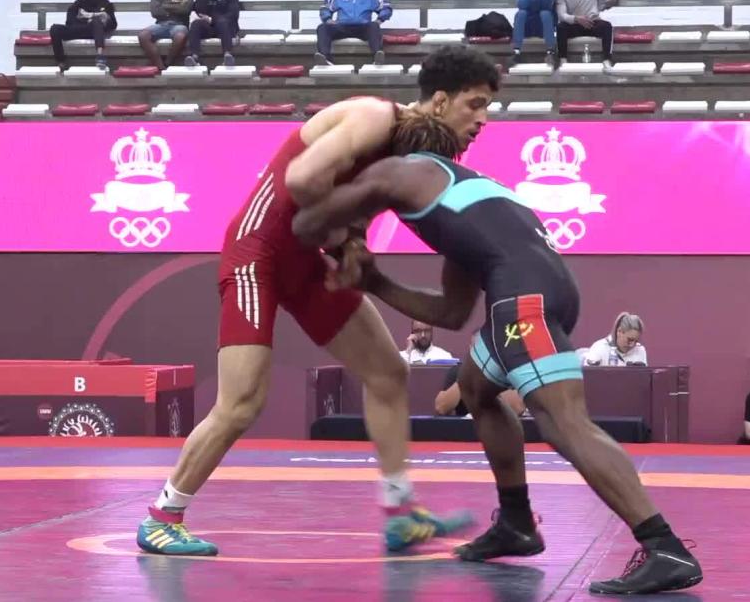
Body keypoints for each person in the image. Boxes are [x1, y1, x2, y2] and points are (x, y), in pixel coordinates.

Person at [289, 119, 703, 595]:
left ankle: (664, 546)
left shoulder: (406, 169)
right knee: (475, 388)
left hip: (522, 303)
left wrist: (347, 238)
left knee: (564, 422)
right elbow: (450, 313)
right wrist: (375, 282)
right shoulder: (466, 201)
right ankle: (516, 522)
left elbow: (306, 221)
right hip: (537, 295)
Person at [136, 45, 500, 557]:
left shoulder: (409, 156)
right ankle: (162, 517)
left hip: (305, 262)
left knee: (387, 372)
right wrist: (346, 239)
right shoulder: (374, 117)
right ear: (440, 101)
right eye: (475, 104)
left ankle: (401, 513)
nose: (483, 119)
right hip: (259, 254)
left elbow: (346, 209)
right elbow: (303, 180)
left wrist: (350, 240)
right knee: (241, 403)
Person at [315, 0, 392, 66]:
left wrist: (380, 19)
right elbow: (325, 7)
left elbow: (386, 6)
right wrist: (328, 19)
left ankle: (377, 58)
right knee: (322, 28)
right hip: (342, 27)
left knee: (374, 26)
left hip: (363, 27)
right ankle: (326, 59)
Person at [554, 0, 618, 67]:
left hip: (592, 22)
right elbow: (562, 15)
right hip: (575, 25)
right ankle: (563, 60)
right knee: (561, 28)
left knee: (607, 26)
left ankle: (607, 59)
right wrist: (577, 19)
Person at [51, 0, 118, 71]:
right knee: (55, 29)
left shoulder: (105, 4)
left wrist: (104, 19)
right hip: (78, 30)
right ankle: (61, 61)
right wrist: (87, 20)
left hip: (94, 32)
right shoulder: (77, 4)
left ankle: (100, 56)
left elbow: (113, 25)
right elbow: (69, 22)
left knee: (96, 22)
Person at [183, 0, 239, 68]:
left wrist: (213, 19)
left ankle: (227, 55)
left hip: (226, 28)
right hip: (209, 28)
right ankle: (194, 57)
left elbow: (233, 14)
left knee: (222, 21)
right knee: (196, 24)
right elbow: (200, 11)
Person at [138, 0, 193, 69]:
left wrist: (165, 6)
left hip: (179, 24)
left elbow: (186, 10)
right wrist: (176, 6)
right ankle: (160, 66)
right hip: (161, 25)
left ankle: (168, 63)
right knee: (143, 35)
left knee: (181, 36)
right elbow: (155, 12)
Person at [583, 312, 648, 366]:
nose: (632, 345)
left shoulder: (640, 350)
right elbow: (588, 375)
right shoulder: (599, 347)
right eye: (630, 340)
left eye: (636, 341)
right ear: (619, 331)